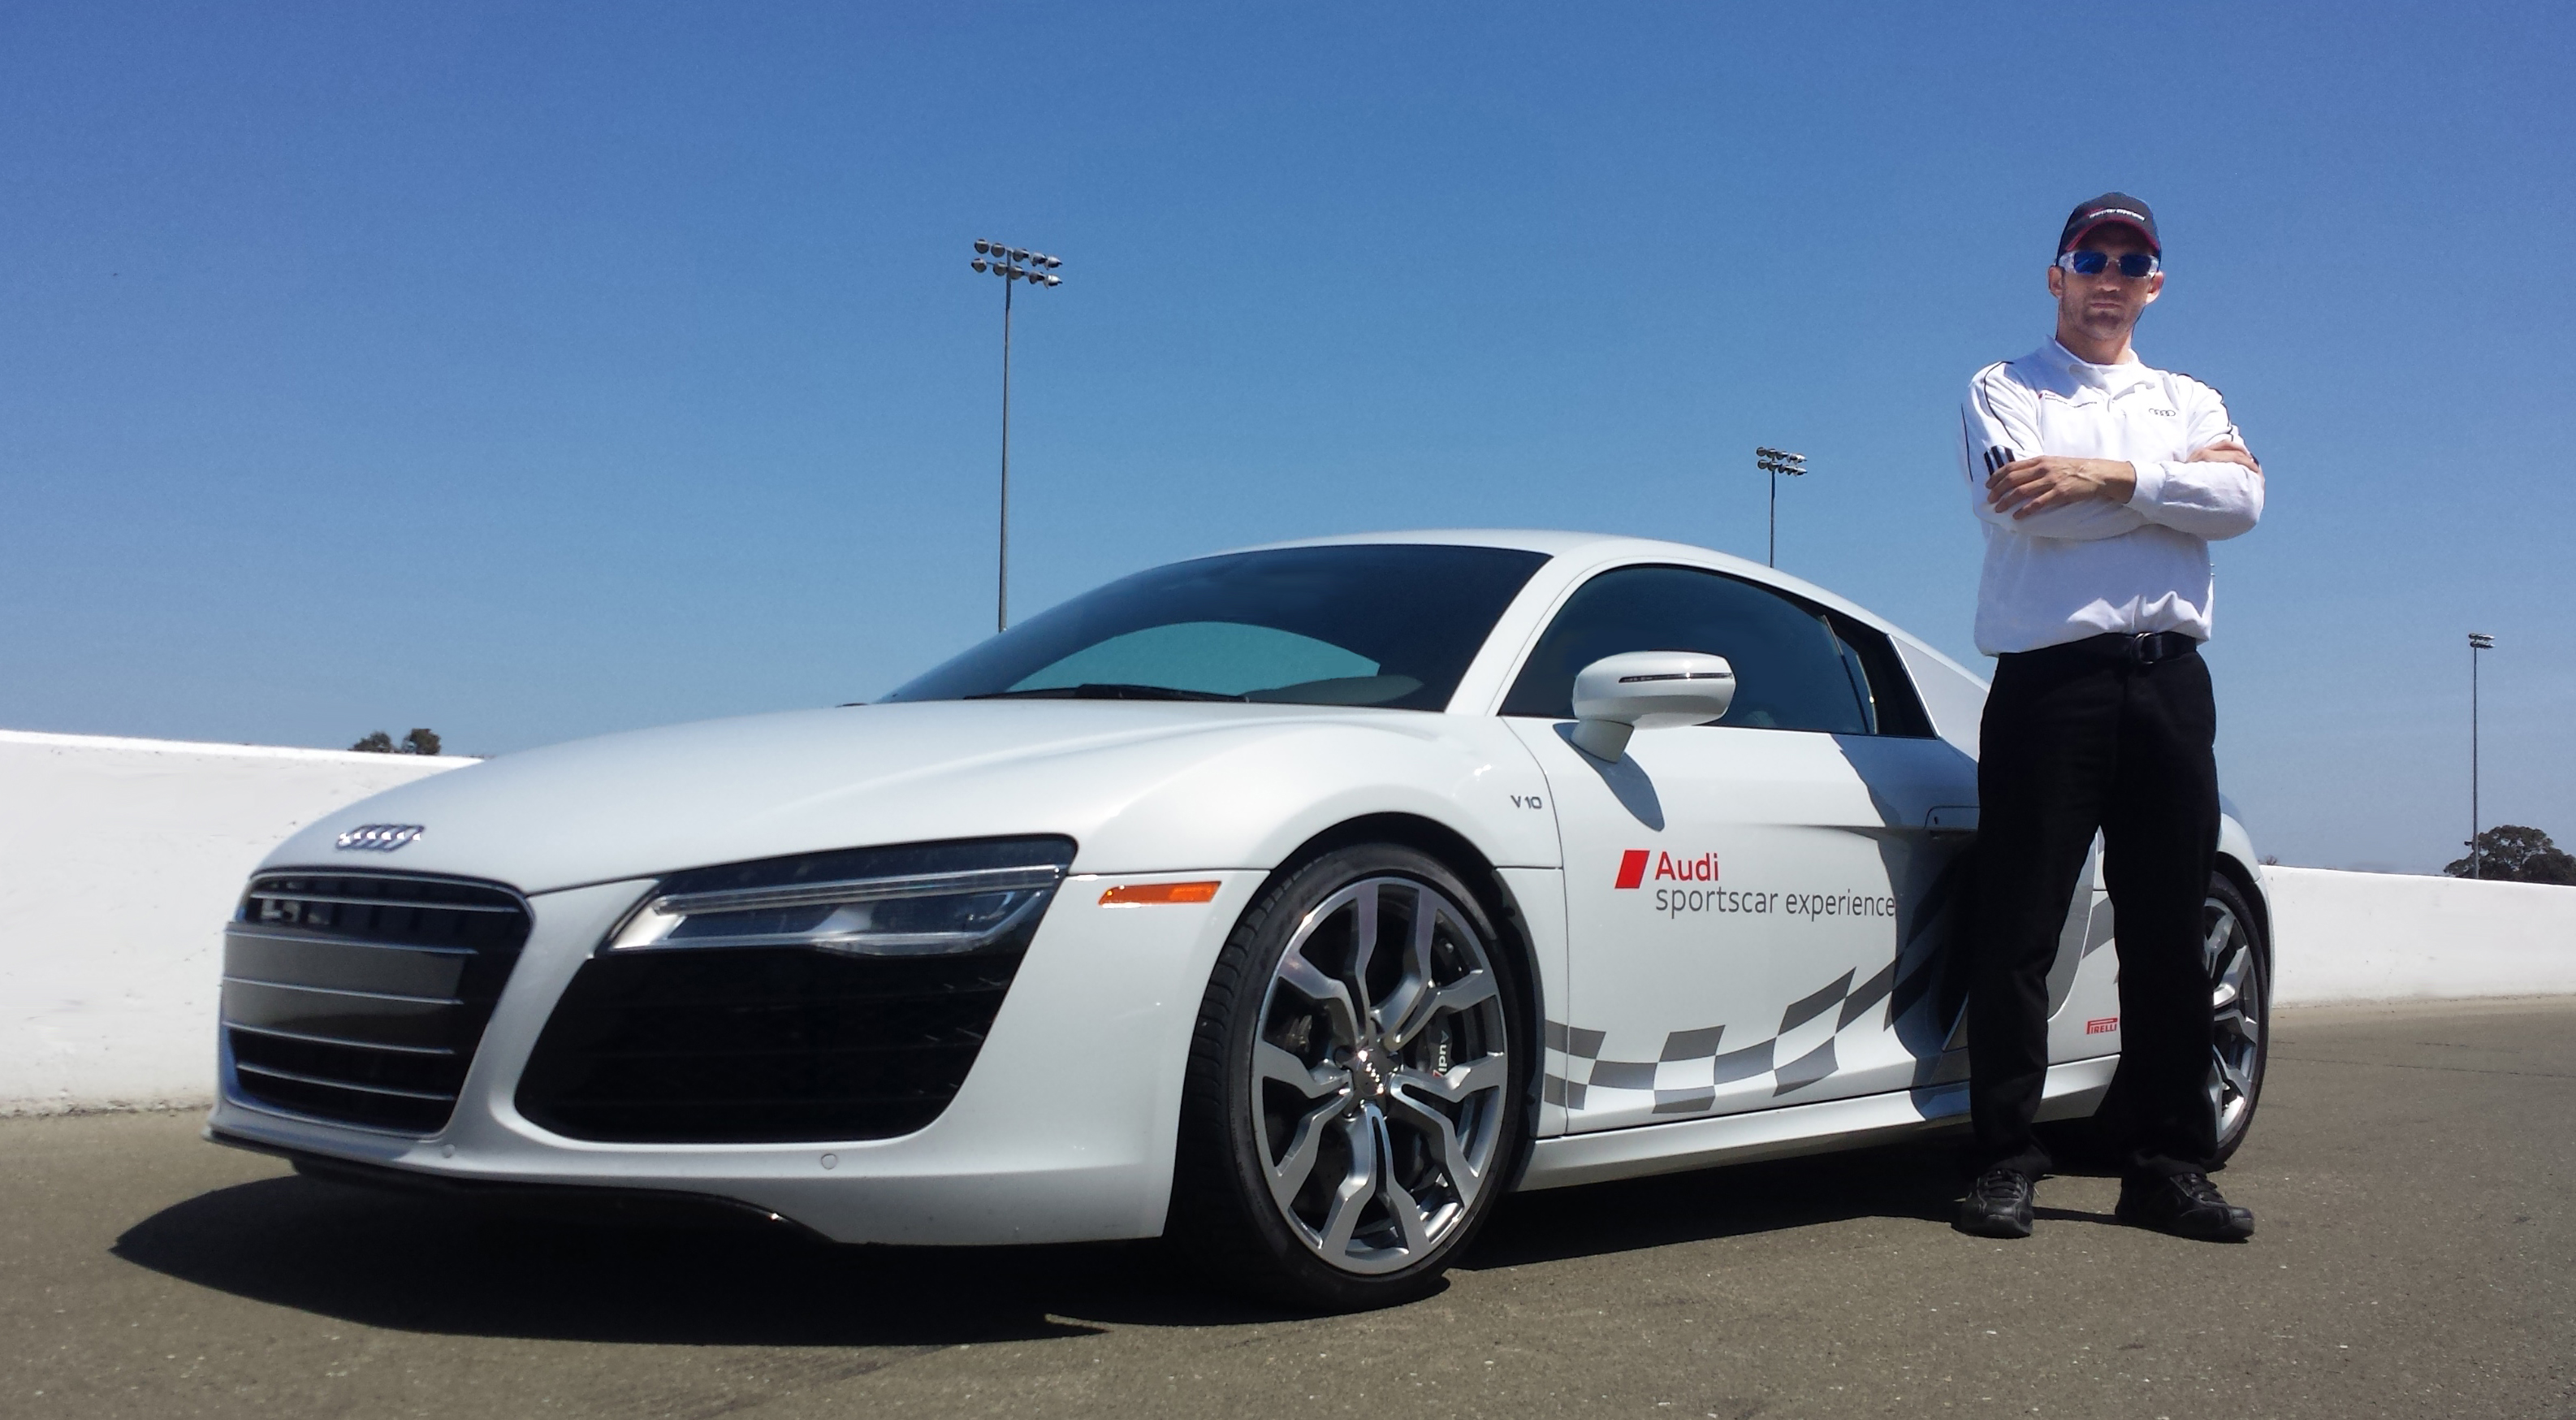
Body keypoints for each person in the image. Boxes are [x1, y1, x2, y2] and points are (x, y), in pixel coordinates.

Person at [1951, 193, 2266, 1241]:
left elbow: (2246, 507)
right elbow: (2024, 506)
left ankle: (2167, 1163)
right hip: (2052, 683)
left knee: (2169, 932)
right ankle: (2005, 1156)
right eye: (2090, 258)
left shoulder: (2189, 395)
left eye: (2131, 263)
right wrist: (2169, 493)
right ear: (2056, 275)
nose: (2109, 278)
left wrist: (2110, 473)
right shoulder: (2004, 387)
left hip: (2171, 683)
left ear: (2155, 285)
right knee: (2020, 927)